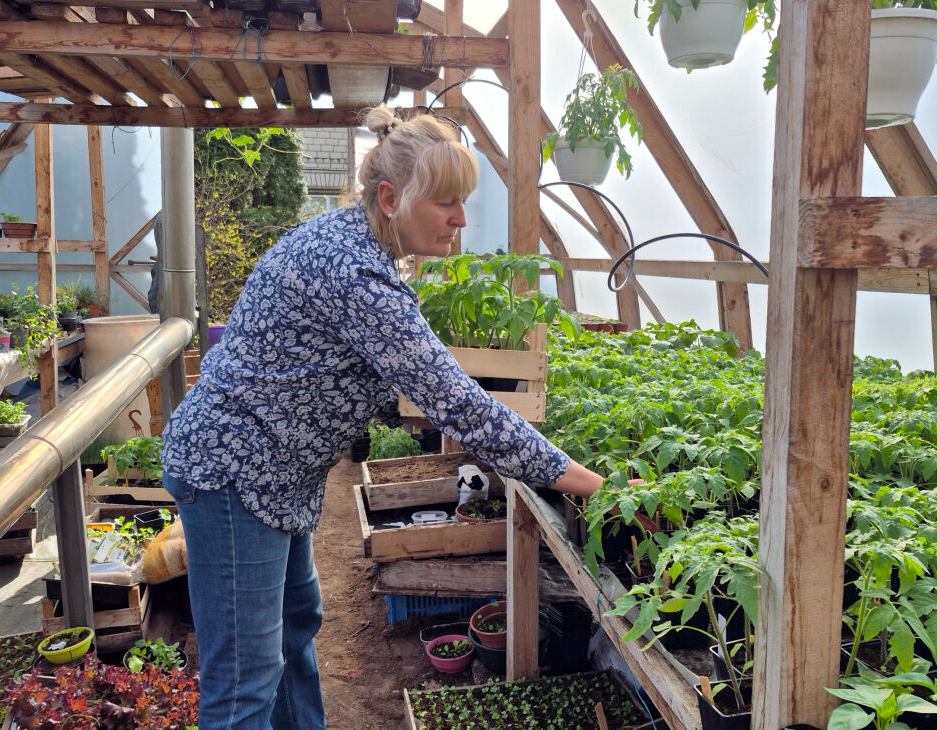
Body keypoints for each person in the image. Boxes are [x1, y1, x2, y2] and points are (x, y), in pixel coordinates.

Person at [160, 106, 611, 729]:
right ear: (390, 196)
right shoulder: (356, 272)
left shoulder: (352, 242)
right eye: (446, 202)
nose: (460, 218)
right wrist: (591, 484)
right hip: (237, 472)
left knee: (295, 630)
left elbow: (347, 374)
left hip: (274, 473)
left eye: (464, 202)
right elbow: (457, 403)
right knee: (243, 686)